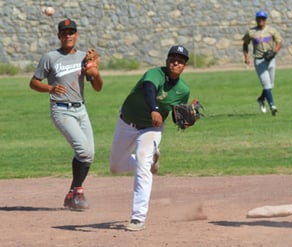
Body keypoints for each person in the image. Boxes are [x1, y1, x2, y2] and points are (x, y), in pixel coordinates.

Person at [110, 45, 191, 231]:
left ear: (184, 65)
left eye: (180, 60)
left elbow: (176, 113)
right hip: (126, 122)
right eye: (172, 58)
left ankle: (138, 217)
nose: (175, 62)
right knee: (116, 167)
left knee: (142, 164)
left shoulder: (183, 90)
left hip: (151, 129)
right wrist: (154, 109)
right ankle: (151, 159)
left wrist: (183, 123)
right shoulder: (155, 74)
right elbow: (148, 89)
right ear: (167, 60)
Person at [29, 18, 103, 210]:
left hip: (81, 109)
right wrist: (50, 88)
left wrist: (95, 71)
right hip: (61, 109)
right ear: (59, 36)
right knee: (83, 151)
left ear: (76, 35)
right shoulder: (50, 57)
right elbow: (33, 83)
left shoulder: (83, 57)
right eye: (64, 33)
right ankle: (77, 193)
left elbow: (97, 88)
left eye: (71, 32)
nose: (68, 35)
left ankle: (72, 194)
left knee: (89, 155)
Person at [242, 10, 282, 116]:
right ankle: (272, 106)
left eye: (263, 19)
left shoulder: (271, 30)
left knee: (270, 85)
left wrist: (274, 51)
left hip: (270, 59)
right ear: (256, 19)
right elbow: (245, 44)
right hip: (259, 60)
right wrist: (246, 56)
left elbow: (279, 42)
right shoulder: (251, 32)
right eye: (259, 18)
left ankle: (261, 99)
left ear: (266, 20)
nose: (261, 20)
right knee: (266, 83)